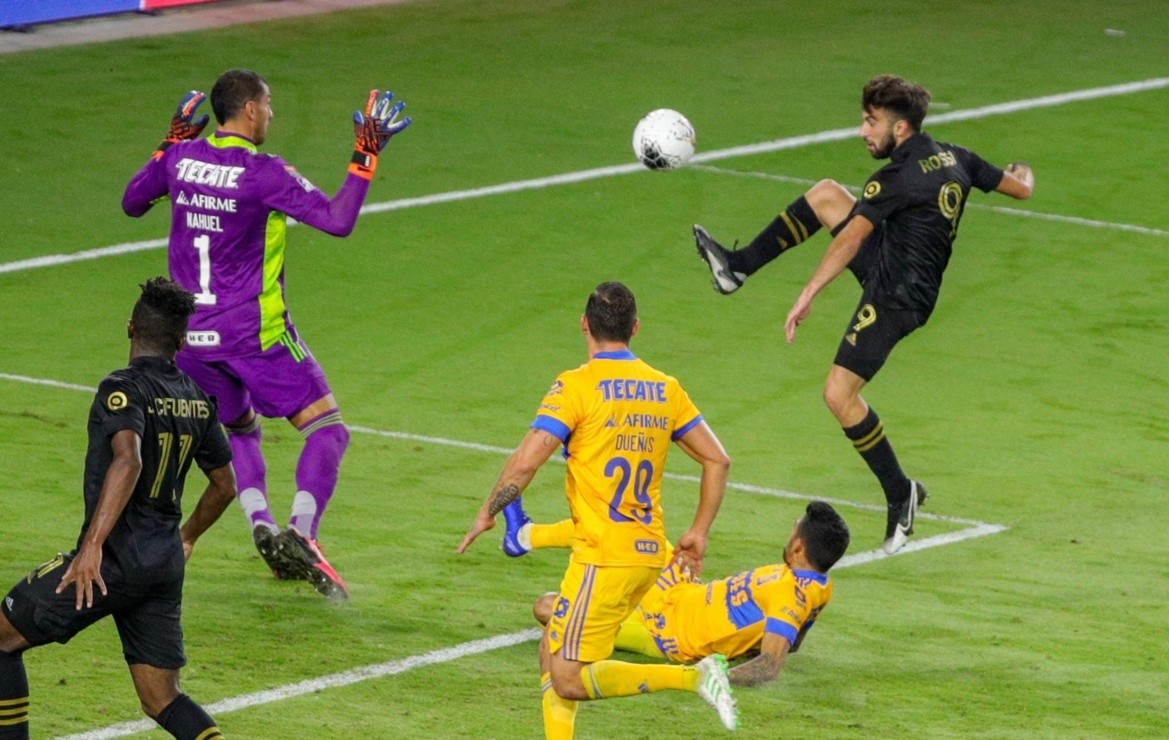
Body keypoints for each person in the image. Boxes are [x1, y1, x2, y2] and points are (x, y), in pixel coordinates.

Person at [692, 74, 1035, 554]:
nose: (862, 131)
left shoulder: (897, 178)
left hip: (898, 298)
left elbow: (851, 238)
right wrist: (1022, 172)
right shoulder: (958, 157)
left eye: (872, 122)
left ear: (900, 129)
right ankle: (737, 268)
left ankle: (901, 492)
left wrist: (808, 291)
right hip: (896, 263)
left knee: (838, 394)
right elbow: (1020, 190)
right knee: (828, 195)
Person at [122, 69, 411, 600]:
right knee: (329, 429)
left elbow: (132, 202)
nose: (273, 114)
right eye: (270, 104)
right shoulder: (263, 173)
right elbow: (338, 219)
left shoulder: (181, 159)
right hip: (255, 336)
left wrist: (168, 143)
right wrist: (365, 153)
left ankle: (261, 524)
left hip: (192, 344)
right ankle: (302, 533)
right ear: (250, 110)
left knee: (242, 430)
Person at [457, 281, 739, 737]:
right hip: (649, 553)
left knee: (568, 679)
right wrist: (699, 531)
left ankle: (694, 677)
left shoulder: (576, 386)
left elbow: (527, 461)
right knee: (552, 648)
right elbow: (717, 458)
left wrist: (488, 512)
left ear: (585, 325)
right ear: (635, 328)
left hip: (603, 556)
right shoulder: (665, 388)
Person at [0, 278, 236, 740]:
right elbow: (225, 485)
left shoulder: (122, 388)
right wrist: (186, 536)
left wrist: (91, 547)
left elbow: (129, 459)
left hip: (110, 562)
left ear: (130, 328)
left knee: (2, 639)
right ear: (181, 342)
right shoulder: (196, 399)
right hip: (163, 563)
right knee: (161, 698)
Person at [528, 500, 850, 687]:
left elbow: (770, 665)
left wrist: (712, 677)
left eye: (793, 528)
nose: (789, 531)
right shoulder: (815, 583)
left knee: (545, 607)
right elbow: (792, 640)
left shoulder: (790, 597)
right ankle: (527, 535)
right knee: (625, 527)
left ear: (798, 546)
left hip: (665, 632)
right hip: (681, 588)